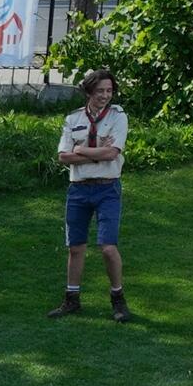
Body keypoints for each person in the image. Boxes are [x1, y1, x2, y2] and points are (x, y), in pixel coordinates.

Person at [50, 70, 131, 320]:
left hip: (108, 188)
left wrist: (81, 150)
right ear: (88, 92)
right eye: (100, 91)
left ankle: (118, 298)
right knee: (75, 247)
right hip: (79, 189)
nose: (105, 96)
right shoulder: (73, 119)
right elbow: (63, 157)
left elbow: (112, 153)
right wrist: (95, 153)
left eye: (109, 91)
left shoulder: (118, 116)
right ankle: (72, 299)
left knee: (108, 248)